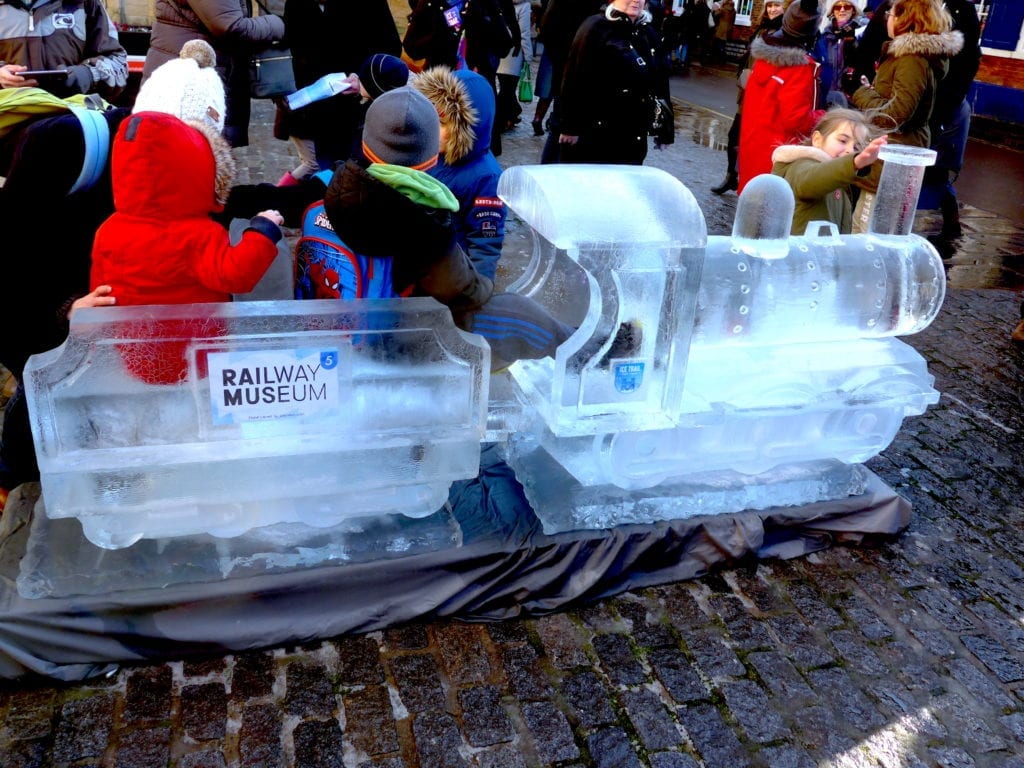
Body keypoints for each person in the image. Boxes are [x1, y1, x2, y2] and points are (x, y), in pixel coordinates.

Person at [318, 87, 574, 371]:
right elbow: (464, 292)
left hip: (351, 324)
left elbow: (484, 240)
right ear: (427, 158)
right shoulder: (423, 226)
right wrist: (480, 285)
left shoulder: (338, 182)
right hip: (406, 336)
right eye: (434, 124)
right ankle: (583, 348)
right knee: (520, 316)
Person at [91, 40, 284, 383]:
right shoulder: (199, 235)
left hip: (134, 354)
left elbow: (101, 291)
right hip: (195, 357)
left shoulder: (108, 229)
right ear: (201, 168)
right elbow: (236, 275)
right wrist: (263, 231)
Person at [0, 100, 131, 506]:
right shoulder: (46, 161)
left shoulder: (125, 159)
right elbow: (15, 277)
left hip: (59, 283)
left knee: (56, 378)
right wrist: (66, 308)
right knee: (43, 380)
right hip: (20, 304)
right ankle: (15, 478)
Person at [848, 0, 962, 232]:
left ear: (905, 19)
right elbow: (898, 101)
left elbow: (896, 116)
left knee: (866, 232)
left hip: (892, 154)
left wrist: (859, 94)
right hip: (890, 152)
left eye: (890, 13)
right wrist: (872, 90)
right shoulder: (910, 56)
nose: (887, 17)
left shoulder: (911, 59)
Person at [279, 0, 402, 175]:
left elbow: (390, 49)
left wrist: (362, 79)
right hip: (309, 105)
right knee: (315, 168)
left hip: (352, 109)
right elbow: (291, 45)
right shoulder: (298, 4)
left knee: (340, 172)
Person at [142, 0, 286, 148]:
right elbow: (232, 26)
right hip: (191, 84)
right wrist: (281, 24)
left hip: (196, 77)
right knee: (188, 157)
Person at [553, 0, 674, 165]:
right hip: (596, 133)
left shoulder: (647, 32)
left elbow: (660, 80)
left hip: (633, 134)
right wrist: (570, 126)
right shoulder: (596, 26)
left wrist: (665, 127)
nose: (636, 0)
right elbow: (574, 77)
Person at [413, 66, 507, 281]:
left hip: (452, 275)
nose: (431, 128)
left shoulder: (486, 178)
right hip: (421, 266)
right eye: (429, 118)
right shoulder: (428, 153)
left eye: (443, 123)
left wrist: (478, 291)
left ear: (467, 127)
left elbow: (485, 243)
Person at [736, 0, 823, 194]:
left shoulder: (764, 58)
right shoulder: (798, 68)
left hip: (754, 151)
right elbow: (796, 120)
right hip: (778, 157)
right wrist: (823, 116)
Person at [771, 107, 888, 234]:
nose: (850, 150)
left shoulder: (842, 181)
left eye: (857, 146)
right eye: (843, 140)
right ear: (817, 140)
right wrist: (854, 162)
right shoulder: (800, 166)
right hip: (801, 253)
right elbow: (811, 180)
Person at [919, 0, 980, 240]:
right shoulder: (909, 6)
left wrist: (948, 100)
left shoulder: (962, 9)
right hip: (920, 95)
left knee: (938, 165)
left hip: (946, 102)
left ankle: (950, 218)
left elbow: (969, 58)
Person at [710, 0, 784, 195]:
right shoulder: (762, 30)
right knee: (734, 136)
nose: (772, 9)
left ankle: (753, 184)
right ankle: (731, 176)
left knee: (757, 144)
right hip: (747, 91)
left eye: (776, 5)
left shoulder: (784, 32)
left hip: (764, 95)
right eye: (769, 6)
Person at [0, 0, 127, 100]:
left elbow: (118, 63)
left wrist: (87, 75)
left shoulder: (86, 4)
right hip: (9, 120)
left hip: (73, 117)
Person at [533, 0, 604, 157]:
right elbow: (548, 29)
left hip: (581, 73)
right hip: (569, 70)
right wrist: (567, 58)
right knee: (562, 127)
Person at [813, 0, 869, 108]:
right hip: (828, 97)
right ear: (832, 11)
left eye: (847, 6)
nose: (842, 10)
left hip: (854, 97)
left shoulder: (862, 34)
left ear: (853, 10)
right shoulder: (824, 37)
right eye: (838, 7)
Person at [495, 0, 533, 136]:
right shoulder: (525, 6)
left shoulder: (500, 3)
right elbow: (524, 33)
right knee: (508, 90)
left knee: (505, 88)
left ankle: (511, 115)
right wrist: (528, 56)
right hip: (514, 53)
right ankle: (499, 121)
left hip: (499, 49)